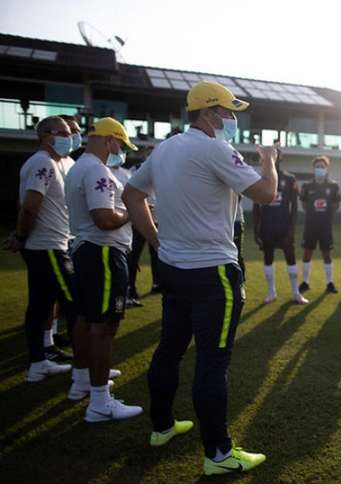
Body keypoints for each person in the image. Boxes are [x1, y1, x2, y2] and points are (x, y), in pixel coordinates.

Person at [124, 80, 277, 475]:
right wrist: (269, 159)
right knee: (212, 363)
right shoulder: (215, 148)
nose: (231, 119)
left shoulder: (167, 148)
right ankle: (219, 455)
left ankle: (161, 427)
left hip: (174, 270)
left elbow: (131, 196)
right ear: (209, 113)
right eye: (228, 112)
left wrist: (157, 243)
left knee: (169, 350)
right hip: (213, 273)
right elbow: (265, 193)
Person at [64, 117, 137, 417]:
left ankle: (82, 380)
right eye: (119, 143)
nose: (120, 149)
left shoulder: (78, 166)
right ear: (109, 139)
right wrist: (130, 211)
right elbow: (105, 219)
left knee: (85, 317)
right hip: (104, 252)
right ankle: (100, 402)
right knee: (104, 326)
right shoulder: (97, 170)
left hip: (87, 250)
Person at [6, 116, 76, 381]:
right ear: (46, 135)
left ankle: (38, 362)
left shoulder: (56, 163)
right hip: (49, 245)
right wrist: (22, 236)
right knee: (74, 305)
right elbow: (30, 205)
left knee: (41, 303)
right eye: (65, 132)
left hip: (51, 243)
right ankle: (87, 370)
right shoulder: (42, 163)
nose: (69, 137)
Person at [253, 148, 308, 304]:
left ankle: (296, 293)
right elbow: (256, 206)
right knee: (268, 258)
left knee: (291, 259)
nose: (272, 157)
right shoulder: (260, 178)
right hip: (267, 227)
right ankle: (271, 292)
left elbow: (294, 206)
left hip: (284, 227)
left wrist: (292, 228)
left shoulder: (289, 179)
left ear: (280, 157)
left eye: (275, 154)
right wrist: (256, 229)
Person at [298, 156, 341, 294]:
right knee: (307, 253)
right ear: (313, 168)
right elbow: (304, 204)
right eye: (317, 166)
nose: (320, 169)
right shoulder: (307, 186)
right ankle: (305, 282)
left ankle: (330, 283)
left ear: (326, 168)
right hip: (310, 225)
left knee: (327, 254)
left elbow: (336, 204)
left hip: (325, 226)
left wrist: (325, 215)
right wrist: (314, 214)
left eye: (322, 166)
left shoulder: (334, 186)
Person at [126, 145, 159, 307]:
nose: (151, 155)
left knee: (159, 254)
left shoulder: (164, 170)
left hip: (158, 220)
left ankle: (158, 284)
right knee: (134, 257)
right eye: (148, 152)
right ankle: (130, 288)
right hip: (139, 220)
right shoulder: (135, 169)